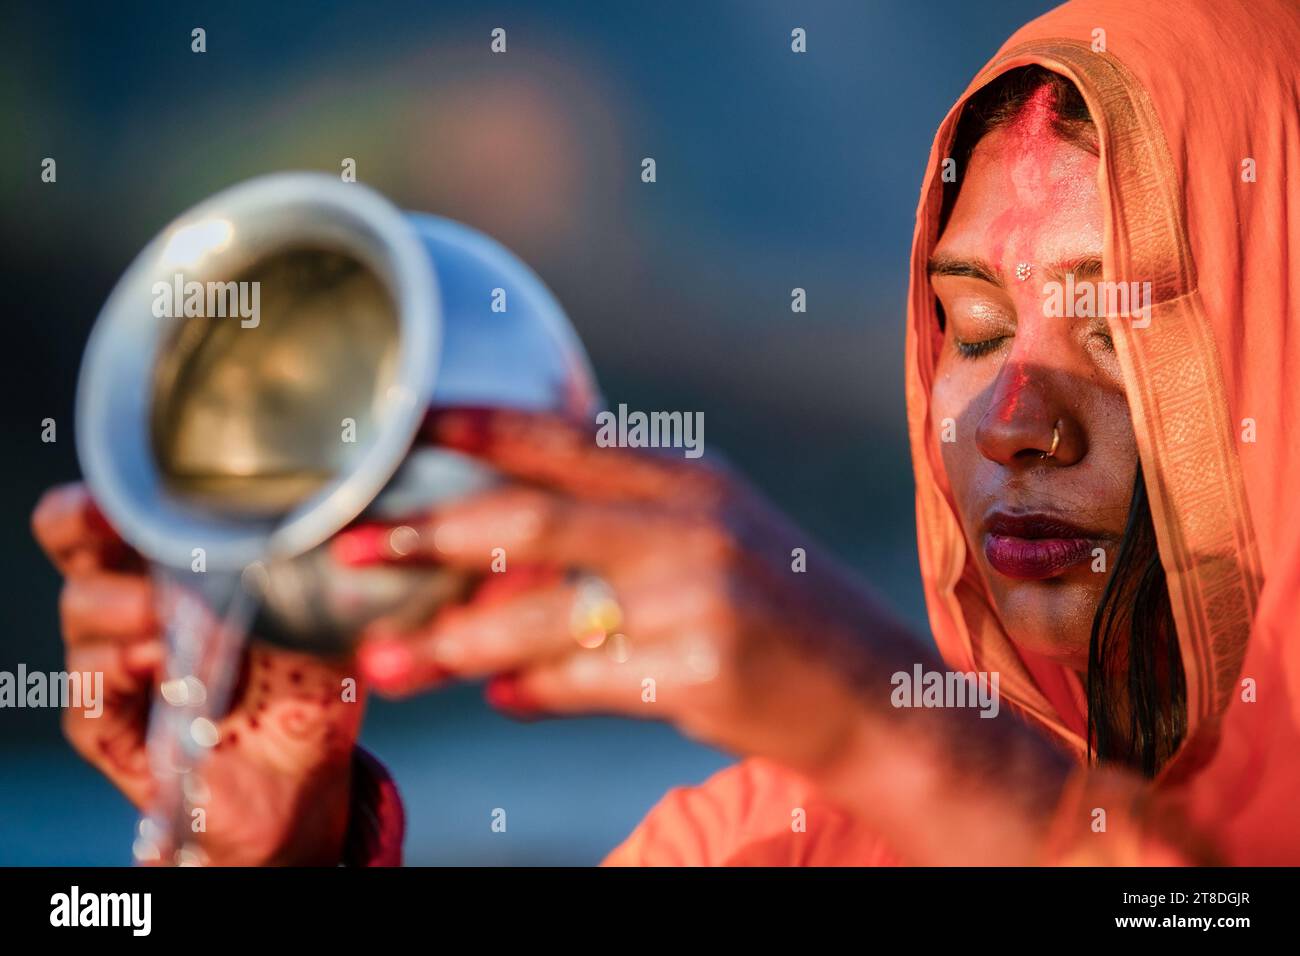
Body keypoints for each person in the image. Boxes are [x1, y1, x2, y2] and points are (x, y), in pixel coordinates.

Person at [31, 0, 1300, 865]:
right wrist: (276, 842)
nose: (1013, 420)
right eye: (970, 330)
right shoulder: (774, 835)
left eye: (1118, 329)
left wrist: (887, 732)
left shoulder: (895, 767)